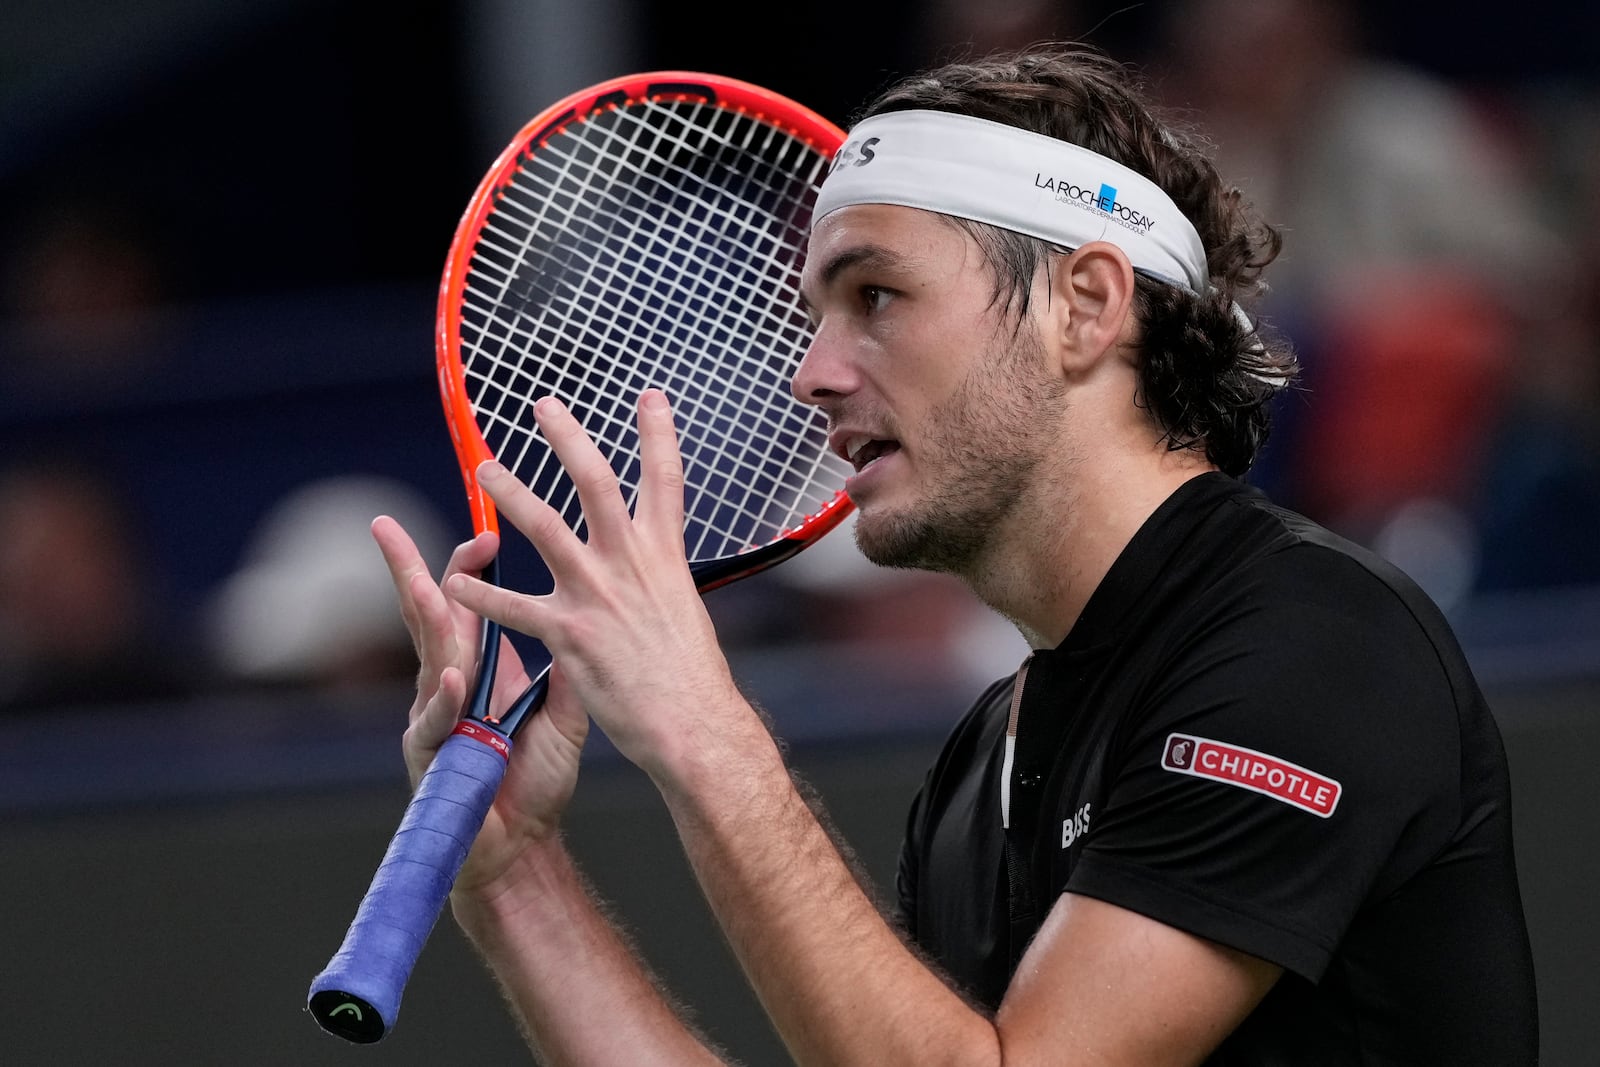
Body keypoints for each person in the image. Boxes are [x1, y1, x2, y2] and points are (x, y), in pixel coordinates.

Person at [372, 44, 1538, 1064]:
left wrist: (699, 727)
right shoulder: (987, 762)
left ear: (1085, 305)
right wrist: (519, 877)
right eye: (815, 313)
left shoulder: (1309, 644)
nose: (812, 371)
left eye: (876, 294)